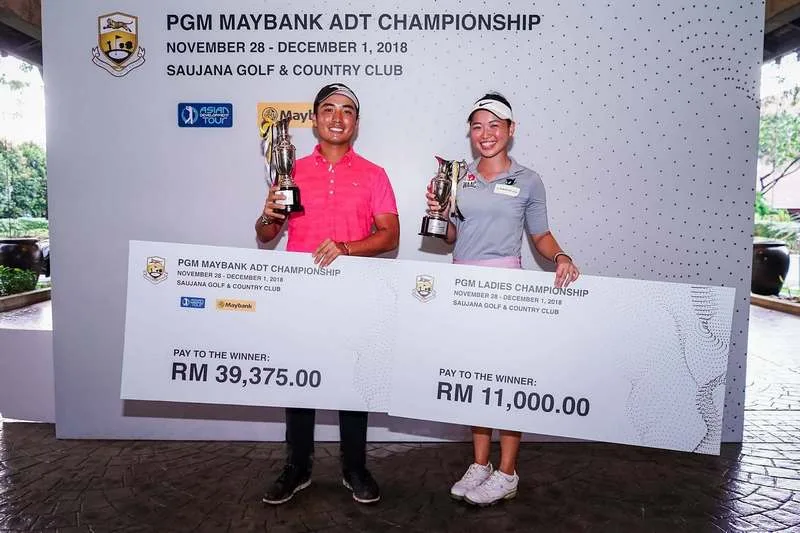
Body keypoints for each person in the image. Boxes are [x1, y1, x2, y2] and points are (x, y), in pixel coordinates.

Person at [425, 91, 580, 506]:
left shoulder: (529, 180)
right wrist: (439, 214)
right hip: (463, 285)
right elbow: (454, 235)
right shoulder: (458, 177)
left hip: (504, 285)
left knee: (507, 380)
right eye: (478, 126)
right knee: (474, 378)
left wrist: (561, 256)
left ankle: (508, 472)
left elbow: (541, 235)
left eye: (494, 125)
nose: (486, 133)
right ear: (470, 133)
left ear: (511, 130)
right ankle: (480, 464)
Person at [256, 83, 400, 505]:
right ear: (316, 119)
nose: (338, 118)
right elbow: (266, 235)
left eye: (347, 111)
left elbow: (390, 236)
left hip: (356, 294)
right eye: (329, 110)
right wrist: (266, 215)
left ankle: (354, 467)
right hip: (302, 296)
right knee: (300, 382)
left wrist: (346, 248)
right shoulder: (291, 170)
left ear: (356, 122)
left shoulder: (374, 174)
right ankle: (297, 467)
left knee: (353, 382)